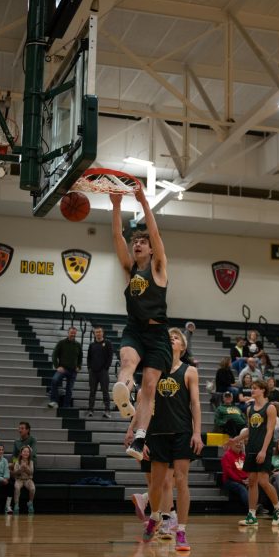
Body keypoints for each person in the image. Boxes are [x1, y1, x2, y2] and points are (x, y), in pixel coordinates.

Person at [110, 187, 172, 460]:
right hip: (135, 328)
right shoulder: (130, 268)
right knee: (127, 362)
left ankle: (139, 439)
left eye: (141, 243)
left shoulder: (158, 267)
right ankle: (123, 391)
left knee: (149, 386)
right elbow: (116, 237)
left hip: (157, 332)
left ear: (150, 249)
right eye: (135, 242)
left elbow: (156, 235)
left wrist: (144, 202)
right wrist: (116, 204)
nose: (137, 245)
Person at [142, 327, 203, 551]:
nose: (172, 340)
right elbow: (145, 404)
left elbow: (195, 404)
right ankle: (155, 516)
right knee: (157, 484)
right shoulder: (154, 370)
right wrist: (142, 437)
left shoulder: (190, 371)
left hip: (182, 432)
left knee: (180, 481)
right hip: (157, 432)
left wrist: (197, 432)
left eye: (176, 338)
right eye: (168, 338)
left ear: (183, 346)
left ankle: (181, 531)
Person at [228, 380, 279, 527]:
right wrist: (235, 440)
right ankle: (251, 515)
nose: (252, 391)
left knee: (264, 481)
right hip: (252, 448)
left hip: (263, 448)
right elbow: (249, 430)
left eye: (255, 388)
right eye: (251, 388)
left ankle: (278, 509)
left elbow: (270, 431)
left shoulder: (270, 408)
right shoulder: (250, 409)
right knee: (252, 482)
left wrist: (264, 450)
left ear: (263, 390)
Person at [48, 326, 83, 408]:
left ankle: (66, 406)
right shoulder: (61, 343)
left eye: (74, 333)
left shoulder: (78, 345)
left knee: (69, 389)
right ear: (68, 333)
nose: (73, 334)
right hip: (62, 369)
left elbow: (80, 357)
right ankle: (54, 401)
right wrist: (57, 366)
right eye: (71, 333)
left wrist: (79, 366)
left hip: (73, 371)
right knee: (54, 380)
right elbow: (54, 355)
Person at [87, 326, 113, 418]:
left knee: (105, 391)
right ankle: (90, 409)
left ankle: (107, 410)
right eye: (96, 332)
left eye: (99, 332)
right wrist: (89, 368)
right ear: (94, 334)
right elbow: (88, 358)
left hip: (103, 372)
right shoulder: (92, 345)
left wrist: (106, 368)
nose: (98, 333)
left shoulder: (108, 343)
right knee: (92, 391)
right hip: (93, 372)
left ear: (103, 333)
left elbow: (110, 357)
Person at [221, 438, 249, 510]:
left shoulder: (243, 456)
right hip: (230, 481)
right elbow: (229, 472)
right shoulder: (227, 455)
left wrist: (248, 479)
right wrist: (241, 480)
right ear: (232, 444)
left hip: (243, 480)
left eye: (240, 443)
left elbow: (248, 470)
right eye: (237, 442)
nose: (239, 444)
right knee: (242, 488)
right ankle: (252, 508)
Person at [13, 445, 35, 515]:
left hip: (28, 479)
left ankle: (30, 503)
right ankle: (16, 504)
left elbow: (31, 472)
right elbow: (15, 473)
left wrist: (26, 468)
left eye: (27, 452)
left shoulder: (31, 462)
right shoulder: (17, 461)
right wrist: (21, 469)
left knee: (32, 488)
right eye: (24, 451)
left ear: (29, 454)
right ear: (21, 453)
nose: (26, 453)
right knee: (17, 488)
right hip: (19, 479)